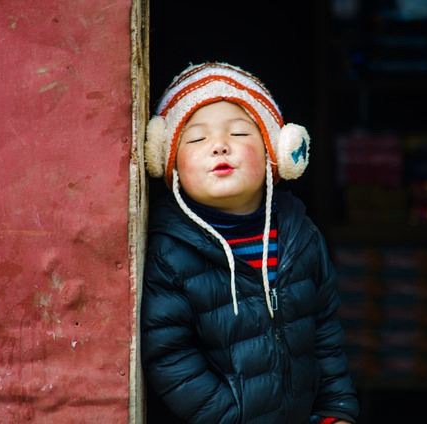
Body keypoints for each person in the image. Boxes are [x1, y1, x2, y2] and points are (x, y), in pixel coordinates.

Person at [140, 62, 359, 423]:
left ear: (279, 151)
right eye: (196, 138)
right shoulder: (170, 251)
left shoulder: (301, 236)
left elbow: (326, 335)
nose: (220, 147)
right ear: (167, 160)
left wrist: (336, 410)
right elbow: (170, 357)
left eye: (240, 134)